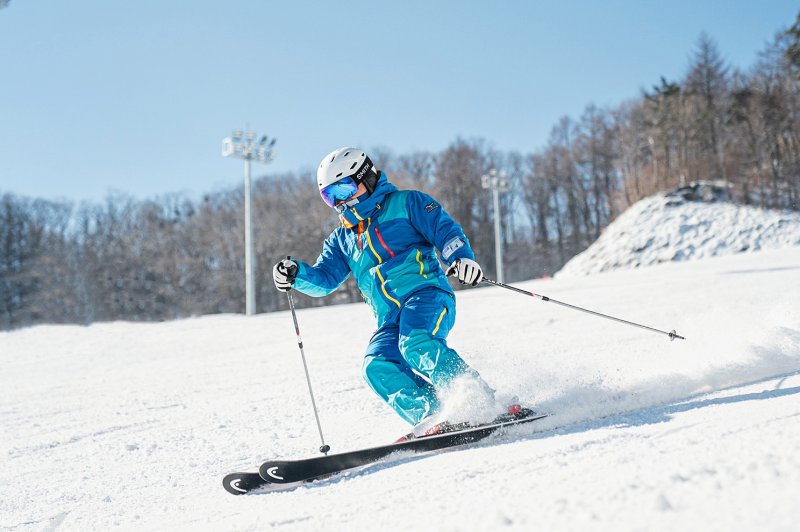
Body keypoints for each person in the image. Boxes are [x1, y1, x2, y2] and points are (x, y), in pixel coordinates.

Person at [273, 147, 523, 437]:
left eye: (344, 188)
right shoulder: (342, 239)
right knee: (377, 365)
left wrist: (461, 258)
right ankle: (435, 415)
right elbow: (325, 279)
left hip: (427, 295)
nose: (340, 201)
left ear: (365, 176)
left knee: (415, 343)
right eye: (331, 196)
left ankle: (481, 403)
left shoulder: (407, 203)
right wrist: (297, 274)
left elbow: (445, 231)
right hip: (389, 318)